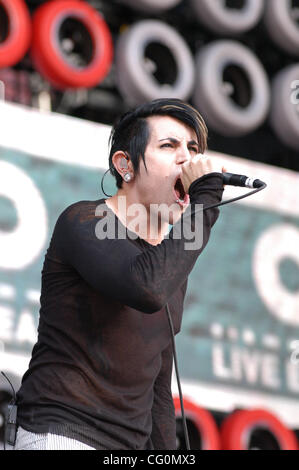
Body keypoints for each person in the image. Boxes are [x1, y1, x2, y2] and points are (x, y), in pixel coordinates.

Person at [14, 98, 226, 450]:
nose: (187, 159)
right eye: (169, 145)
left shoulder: (167, 261)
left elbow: (158, 387)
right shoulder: (84, 221)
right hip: (62, 435)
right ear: (125, 165)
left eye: (192, 148)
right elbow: (145, 287)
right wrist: (205, 201)